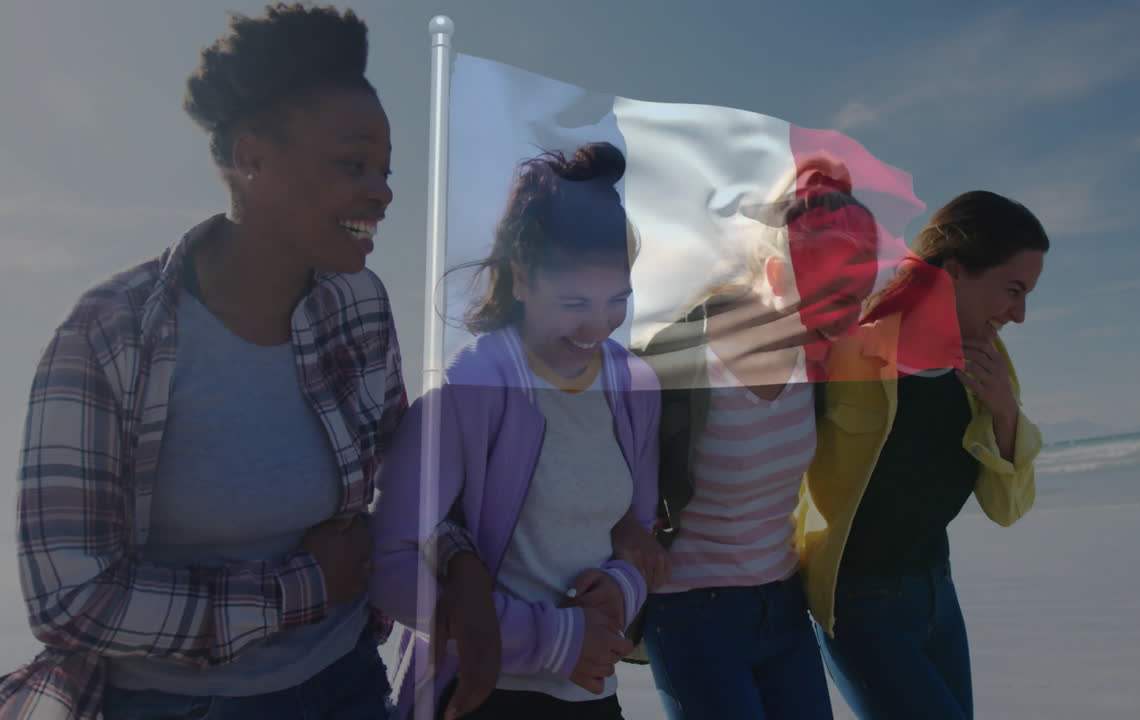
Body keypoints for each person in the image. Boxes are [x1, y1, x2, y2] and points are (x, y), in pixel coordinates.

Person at [0, 5, 409, 719]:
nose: (383, 190)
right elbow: (72, 600)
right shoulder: (106, 337)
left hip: (348, 679)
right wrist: (302, 585)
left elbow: (403, 475)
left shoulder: (360, 305)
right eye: (353, 165)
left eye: (384, 168)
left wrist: (460, 575)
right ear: (250, 156)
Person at [370, 142, 658, 720]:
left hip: (593, 696)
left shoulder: (634, 390)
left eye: (616, 301)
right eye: (575, 301)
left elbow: (637, 531)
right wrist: (552, 640)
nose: (597, 325)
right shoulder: (464, 395)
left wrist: (624, 588)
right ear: (522, 278)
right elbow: (386, 564)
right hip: (481, 693)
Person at [619, 157, 879, 720]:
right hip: (691, 614)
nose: (843, 321)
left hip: (783, 604)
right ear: (777, 278)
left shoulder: (818, 360)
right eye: (831, 298)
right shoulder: (672, 362)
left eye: (853, 298)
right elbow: (605, 477)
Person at [795, 190, 1049, 720]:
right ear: (954, 271)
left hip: (938, 594)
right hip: (859, 605)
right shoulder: (850, 351)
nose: (1020, 315)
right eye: (1013, 290)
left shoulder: (985, 361)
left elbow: (1008, 506)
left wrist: (1005, 411)